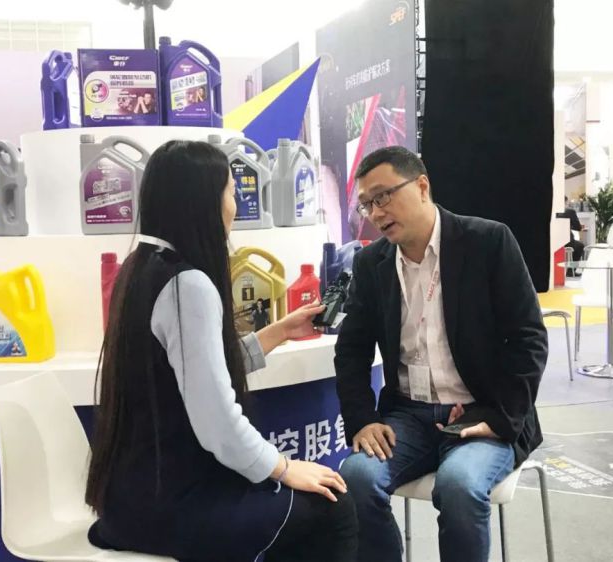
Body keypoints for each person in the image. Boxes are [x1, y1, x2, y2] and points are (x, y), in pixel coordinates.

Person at [85, 141, 358, 562]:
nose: (235, 205)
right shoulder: (188, 285)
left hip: (131, 500)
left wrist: (280, 331)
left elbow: (196, 372)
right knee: (334, 507)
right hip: (173, 506)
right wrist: (285, 468)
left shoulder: (140, 269)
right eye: (231, 191)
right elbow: (218, 423)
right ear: (204, 202)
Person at [335, 146, 547, 562]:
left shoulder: (487, 242)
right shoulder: (371, 263)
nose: (376, 212)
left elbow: (529, 339)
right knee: (356, 477)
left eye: (383, 196)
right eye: (366, 204)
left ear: (421, 186)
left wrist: (501, 416)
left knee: (459, 485)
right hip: (407, 416)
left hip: (481, 412)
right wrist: (362, 419)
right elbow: (352, 350)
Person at [558, 196, 585, 268]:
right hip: (567, 242)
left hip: (555, 242)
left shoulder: (552, 212)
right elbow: (578, 227)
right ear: (565, 202)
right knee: (580, 246)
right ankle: (571, 269)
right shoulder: (570, 212)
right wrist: (571, 226)